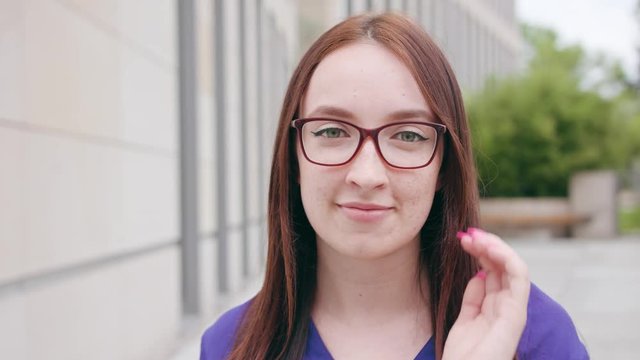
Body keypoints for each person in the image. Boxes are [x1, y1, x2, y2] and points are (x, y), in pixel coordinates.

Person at [200, 13, 589, 360]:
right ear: (293, 158)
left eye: (408, 135)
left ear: (443, 166)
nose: (367, 175)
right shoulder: (230, 345)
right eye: (333, 131)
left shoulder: (532, 335)